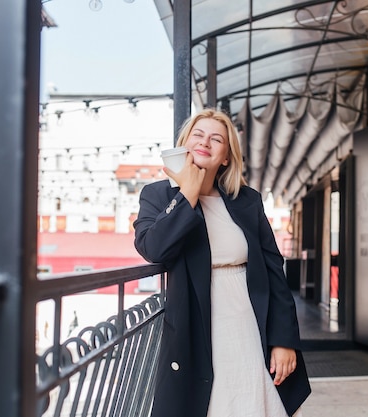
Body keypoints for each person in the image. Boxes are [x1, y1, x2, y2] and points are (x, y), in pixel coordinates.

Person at [133, 109, 311, 417]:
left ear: (226, 157)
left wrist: (284, 340)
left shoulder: (247, 200)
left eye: (216, 139)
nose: (205, 142)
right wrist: (187, 190)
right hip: (195, 321)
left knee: (251, 399)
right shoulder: (158, 194)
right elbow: (154, 247)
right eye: (198, 135)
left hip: (248, 321)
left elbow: (273, 270)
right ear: (184, 144)